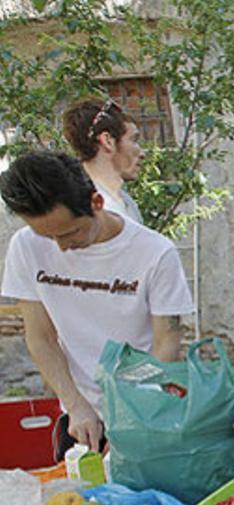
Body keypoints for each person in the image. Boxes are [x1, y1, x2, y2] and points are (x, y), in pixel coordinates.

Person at [0, 152, 193, 457]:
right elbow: (41, 338)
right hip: (81, 417)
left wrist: (132, 420)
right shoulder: (26, 246)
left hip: (146, 411)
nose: (62, 246)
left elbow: (166, 344)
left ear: (96, 202)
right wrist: (76, 405)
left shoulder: (155, 253)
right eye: (47, 236)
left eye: (70, 232)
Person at [61, 97, 145, 223]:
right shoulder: (85, 208)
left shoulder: (125, 201)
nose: (142, 154)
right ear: (107, 141)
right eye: (133, 140)